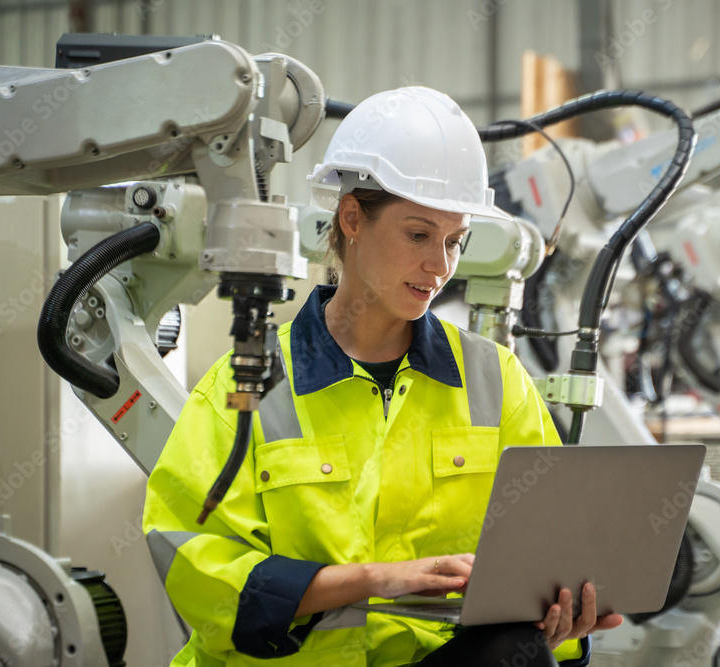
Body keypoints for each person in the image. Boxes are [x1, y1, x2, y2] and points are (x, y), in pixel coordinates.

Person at [143, 86, 622, 667]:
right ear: (351, 218)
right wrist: (373, 579)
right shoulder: (246, 387)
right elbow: (198, 568)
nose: (440, 266)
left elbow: (550, 547)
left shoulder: (495, 381)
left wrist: (563, 617)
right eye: (418, 235)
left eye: (453, 241)